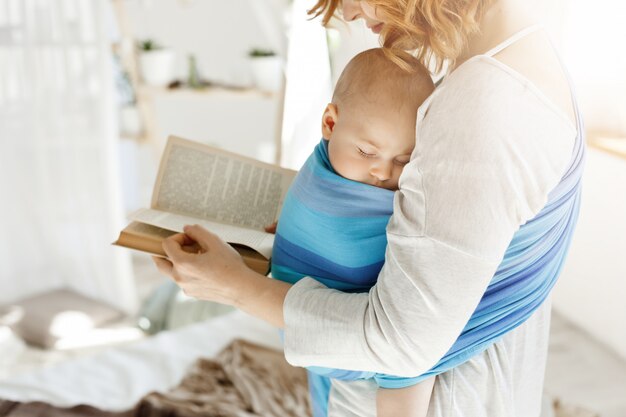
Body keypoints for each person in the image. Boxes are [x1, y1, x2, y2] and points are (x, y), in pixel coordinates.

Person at [153, 0, 585, 415]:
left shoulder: (486, 103)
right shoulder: (513, 57)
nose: (348, 12)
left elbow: (400, 341)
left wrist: (233, 286)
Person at [270, 47, 435, 417]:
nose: (382, 173)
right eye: (367, 151)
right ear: (330, 123)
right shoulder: (325, 181)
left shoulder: (336, 164)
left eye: (404, 160)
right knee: (415, 361)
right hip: (330, 331)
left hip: (313, 337)